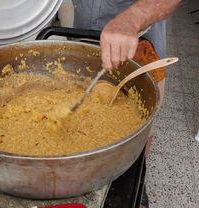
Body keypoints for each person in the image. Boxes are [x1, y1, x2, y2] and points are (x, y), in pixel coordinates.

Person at [71, 1, 181, 207]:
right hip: (83, 28)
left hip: (140, 38)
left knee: (141, 126)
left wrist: (133, 18)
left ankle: (137, 180)